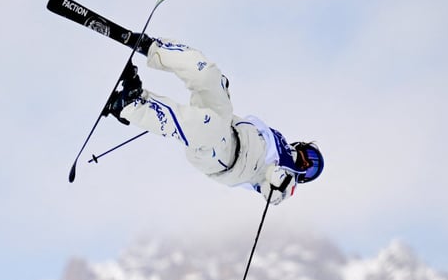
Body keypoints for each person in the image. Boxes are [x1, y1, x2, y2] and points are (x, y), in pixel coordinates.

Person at [101, 34, 324, 204]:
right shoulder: (279, 140)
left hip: (225, 159)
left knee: (207, 129)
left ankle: (130, 105)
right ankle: (153, 49)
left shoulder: (289, 181)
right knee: (210, 76)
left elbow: (273, 195)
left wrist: (277, 185)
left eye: (310, 168)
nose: (306, 163)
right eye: (311, 157)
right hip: (228, 127)